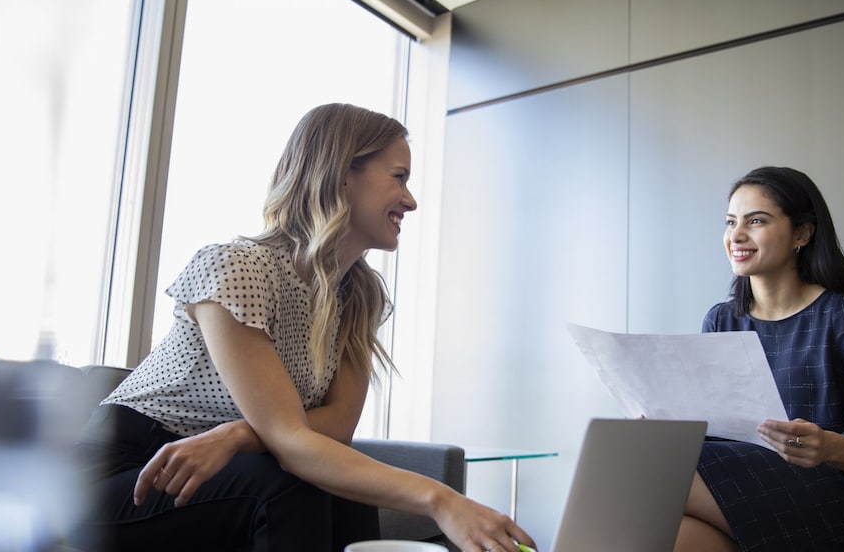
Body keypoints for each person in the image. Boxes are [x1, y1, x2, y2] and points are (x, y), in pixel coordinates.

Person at [71, 103, 536, 552]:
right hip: (125, 471)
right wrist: (443, 500)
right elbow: (293, 441)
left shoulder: (358, 296)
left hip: (223, 462)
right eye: (399, 177)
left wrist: (237, 434)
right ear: (341, 174)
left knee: (343, 488)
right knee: (287, 489)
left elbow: (334, 429)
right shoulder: (236, 269)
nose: (410, 201)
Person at [676, 166, 844, 552]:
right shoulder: (721, 320)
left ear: (802, 234)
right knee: (669, 533)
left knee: (658, 475)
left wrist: (828, 446)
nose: (736, 236)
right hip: (746, 486)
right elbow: (716, 433)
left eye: (756, 221)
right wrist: (666, 425)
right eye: (730, 222)